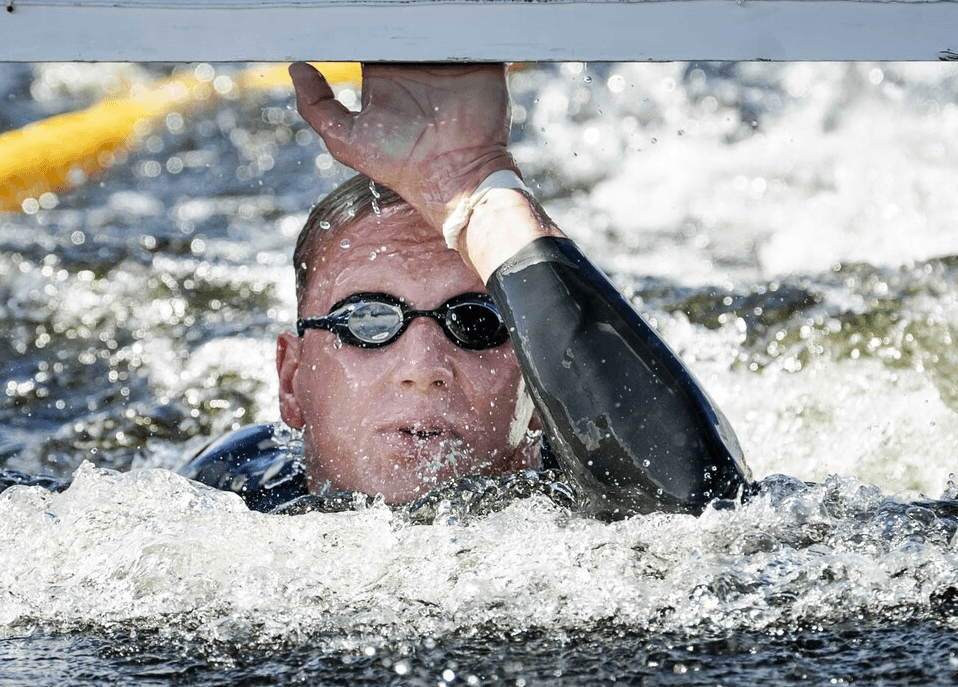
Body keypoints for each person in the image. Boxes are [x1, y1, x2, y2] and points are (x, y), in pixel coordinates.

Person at [182, 63, 751, 519]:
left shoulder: (588, 498)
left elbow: (706, 517)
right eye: (367, 321)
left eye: (478, 322)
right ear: (292, 380)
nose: (424, 366)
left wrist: (478, 189)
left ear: (540, 385)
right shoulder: (231, 495)